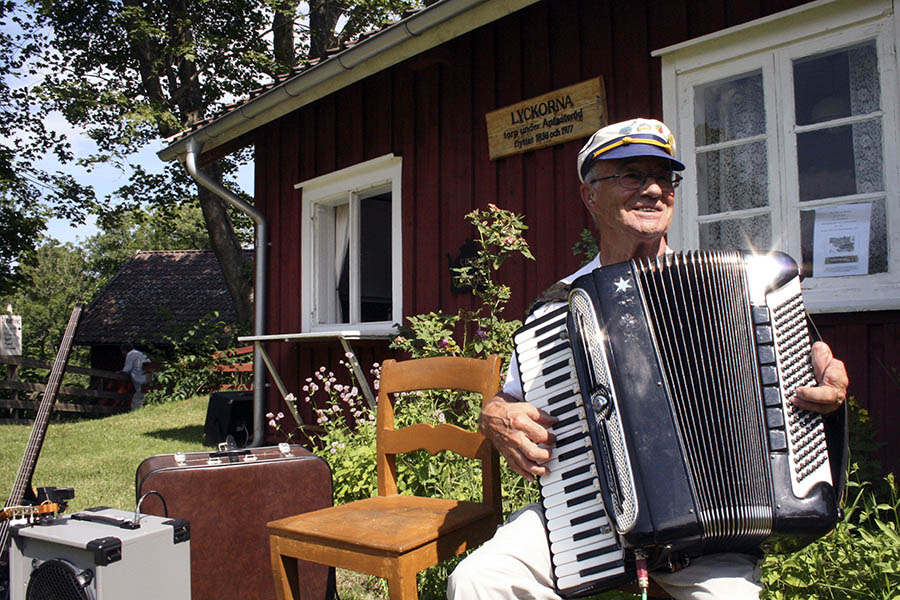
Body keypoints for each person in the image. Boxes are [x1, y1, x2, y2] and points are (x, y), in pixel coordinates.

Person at [447, 118, 849, 600]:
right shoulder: (558, 308)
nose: (655, 189)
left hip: (712, 536)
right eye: (633, 175)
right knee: (477, 581)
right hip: (589, 511)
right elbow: (510, 400)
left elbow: (806, 372)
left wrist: (827, 381)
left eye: (666, 178)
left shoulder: (738, 290)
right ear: (589, 195)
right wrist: (495, 412)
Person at [120, 342, 149, 410]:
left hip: (140, 378)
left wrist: (119, 372)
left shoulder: (130, 355)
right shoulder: (140, 353)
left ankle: (136, 412)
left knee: (137, 399)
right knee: (145, 395)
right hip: (148, 377)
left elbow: (127, 369)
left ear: (124, 351)